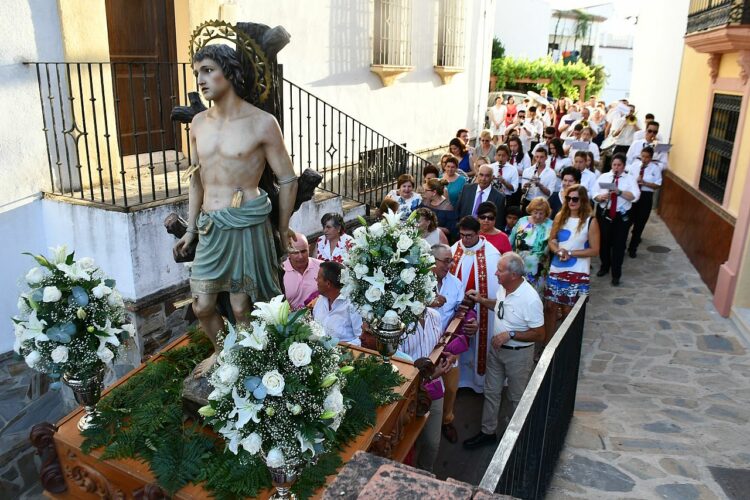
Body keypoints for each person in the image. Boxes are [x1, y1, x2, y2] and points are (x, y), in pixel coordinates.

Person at [173, 43, 298, 377]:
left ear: (230, 71)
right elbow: (196, 179)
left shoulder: (262, 123)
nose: (200, 79)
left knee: (243, 308)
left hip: (246, 223)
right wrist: (190, 229)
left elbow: (287, 179)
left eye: (208, 70)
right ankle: (223, 352)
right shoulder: (198, 123)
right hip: (211, 226)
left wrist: (283, 228)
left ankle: (245, 367)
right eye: (197, 71)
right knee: (202, 305)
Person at [462, 252, 545, 449]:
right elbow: (500, 306)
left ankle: (517, 440)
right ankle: (487, 432)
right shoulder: (504, 288)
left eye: (500, 271)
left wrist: (511, 334)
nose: (495, 274)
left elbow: (540, 334)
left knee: (517, 398)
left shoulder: (530, 299)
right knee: (491, 393)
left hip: (518, 355)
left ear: (514, 275)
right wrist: (482, 300)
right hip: (497, 351)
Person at [450, 217, 503, 392]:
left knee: (479, 342)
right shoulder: (454, 249)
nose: (465, 240)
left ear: (478, 233)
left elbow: (496, 288)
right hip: (457, 309)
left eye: (469, 236)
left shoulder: (492, 254)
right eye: (462, 235)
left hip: (481, 309)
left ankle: (477, 382)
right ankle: (457, 381)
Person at [544, 184, 600, 343]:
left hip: (578, 272)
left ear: (582, 200)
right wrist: (558, 251)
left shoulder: (591, 221)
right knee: (550, 308)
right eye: (568, 198)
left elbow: (595, 250)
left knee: (568, 311)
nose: (571, 202)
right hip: (556, 269)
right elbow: (552, 240)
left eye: (575, 199)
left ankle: (565, 347)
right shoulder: (560, 216)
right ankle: (547, 346)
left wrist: (570, 253)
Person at [429, 243, 465, 444]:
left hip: (447, 347)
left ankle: (446, 420)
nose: (450, 264)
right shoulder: (417, 282)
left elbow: (462, 313)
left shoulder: (456, 284)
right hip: (424, 347)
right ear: (432, 261)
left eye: (451, 260)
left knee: (451, 388)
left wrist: (470, 321)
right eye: (446, 260)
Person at [593, 153, 640, 286]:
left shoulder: (630, 179)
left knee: (619, 245)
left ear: (624, 166)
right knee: (604, 242)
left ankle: (616, 274)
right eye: (614, 165)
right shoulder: (604, 177)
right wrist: (600, 197)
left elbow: (635, 196)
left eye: (619, 165)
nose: (616, 167)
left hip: (621, 215)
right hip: (604, 212)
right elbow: (594, 193)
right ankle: (604, 266)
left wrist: (620, 192)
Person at [510, 197, 553, 297]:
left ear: (546, 213)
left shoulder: (551, 225)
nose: (537, 216)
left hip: (539, 272)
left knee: (535, 298)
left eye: (541, 213)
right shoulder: (522, 221)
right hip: (518, 268)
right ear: (530, 210)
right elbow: (510, 241)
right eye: (535, 212)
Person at [312, 261, 362, 345]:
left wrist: (338, 348)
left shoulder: (353, 304)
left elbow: (361, 339)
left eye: (318, 277)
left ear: (328, 283)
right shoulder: (321, 299)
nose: (316, 280)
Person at [627, 146, 662, 258]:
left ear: (651, 158)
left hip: (646, 197)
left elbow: (657, 185)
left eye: (647, 157)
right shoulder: (634, 166)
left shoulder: (655, 169)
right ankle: (622, 244)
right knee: (627, 222)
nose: (644, 159)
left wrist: (645, 183)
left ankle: (633, 248)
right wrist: (634, 181)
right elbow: (628, 179)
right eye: (643, 156)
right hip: (633, 195)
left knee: (640, 224)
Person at [455, 165, 506, 229]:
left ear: (492, 177)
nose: (483, 179)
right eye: (481, 175)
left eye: (487, 176)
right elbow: (457, 211)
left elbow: (498, 222)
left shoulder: (499, 198)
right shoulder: (466, 189)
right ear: (477, 175)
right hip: (465, 231)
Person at [282, 232, 322, 310]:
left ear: (309, 249)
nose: (300, 257)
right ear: (288, 253)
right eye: (296, 252)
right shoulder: (280, 272)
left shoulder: (321, 267)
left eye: (303, 251)